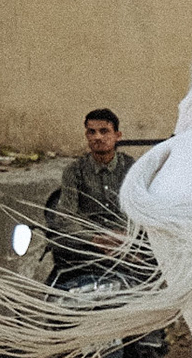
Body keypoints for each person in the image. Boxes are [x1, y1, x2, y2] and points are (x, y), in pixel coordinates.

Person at [53, 108, 135, 256]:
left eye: (104, 131)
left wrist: (123, 235)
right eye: (92, 132)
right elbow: (65, 216)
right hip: (88, 243)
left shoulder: (131, 168)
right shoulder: (74, 171)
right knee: (59, 244)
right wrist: (95, 239)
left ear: (117, 135)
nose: (97, 137)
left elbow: (140, 209)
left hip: (126, 239)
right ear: (86, 135)